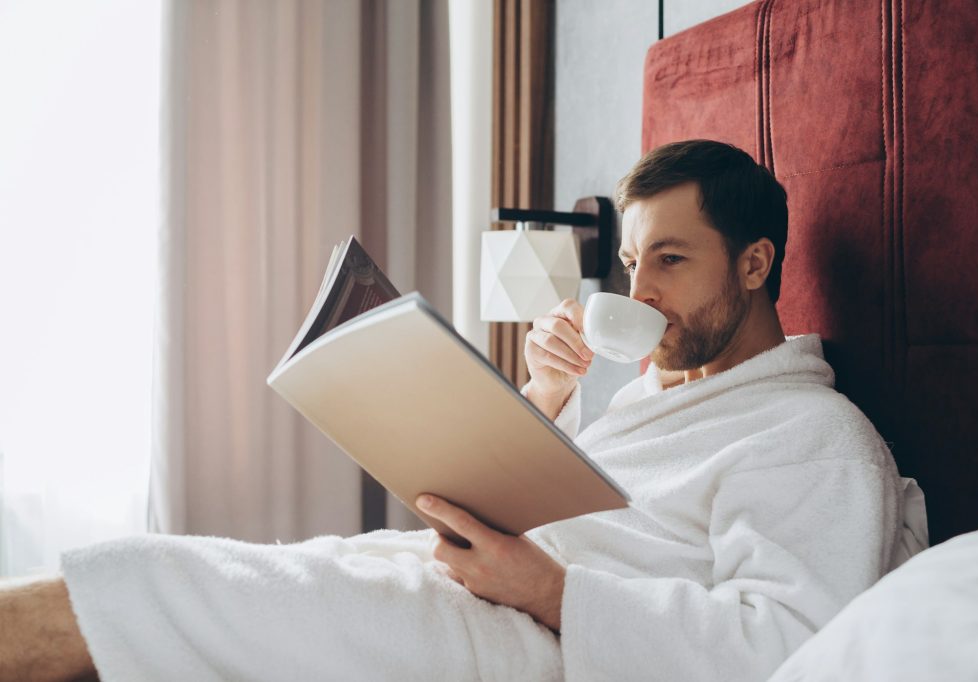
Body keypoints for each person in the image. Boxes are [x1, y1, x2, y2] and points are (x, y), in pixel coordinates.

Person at [0, 140, 925, 682]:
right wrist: (545, 403)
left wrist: (552, 592)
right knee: (211, 576)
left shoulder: (813, 439)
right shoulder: (658, 401)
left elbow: (792, 648)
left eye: (671, 261)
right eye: (634, 264)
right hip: (499, 598)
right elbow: (582, 521)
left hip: (542, 643)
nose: (641, 291)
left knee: (168, 586)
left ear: (757, 264)